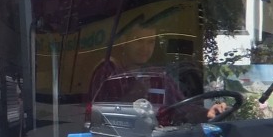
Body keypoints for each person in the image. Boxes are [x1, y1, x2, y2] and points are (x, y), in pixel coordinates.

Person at [88, 22, 228, 122]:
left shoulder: (159, 76)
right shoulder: (108, 71)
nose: (145, 48)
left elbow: (183, 108)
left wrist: (207, 112)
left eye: (150, 42)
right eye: (139, 41)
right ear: (124, 41)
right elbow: (96, 116)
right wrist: (131, 96)